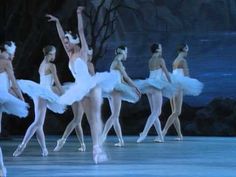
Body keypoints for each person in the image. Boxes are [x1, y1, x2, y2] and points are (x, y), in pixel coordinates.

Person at [13, 45, 66, 157]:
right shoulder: (51, 65)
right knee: (38, 123)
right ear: (50, 54)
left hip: (39, 93)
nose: (55, 55)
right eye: (54, 53)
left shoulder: (42, 65)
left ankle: (44, 149)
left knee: (39, 124)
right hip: (43, 94)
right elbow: (56, 81)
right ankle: (22, 145)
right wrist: (64, 94)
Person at [161, 44, 203, 141]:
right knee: (177, 112)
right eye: (187, 48)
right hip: (178, 86)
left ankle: (180, 135)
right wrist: (188, 85)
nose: (188, 50)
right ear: (184, 49)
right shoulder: (183, 61)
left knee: (174, 112)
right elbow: (186, 75)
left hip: (172, 86)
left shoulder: (175, 61)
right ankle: (163, 132)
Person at [101, 45, 141, 147]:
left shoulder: (117, 63)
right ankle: (103, 136)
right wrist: (136, 87)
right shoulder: (117, 62)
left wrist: (131, 88)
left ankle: (120, 140)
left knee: (115, 116)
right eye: (126, 52)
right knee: (115, 115)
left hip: (113, 89)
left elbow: (122, 80)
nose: (126, 54)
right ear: (122, 52)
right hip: (115, 90)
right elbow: (126, 78)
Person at [135, 43, 175, 143]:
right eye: (160, 47)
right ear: (157, 49)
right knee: (157, 112)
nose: (162, 49)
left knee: (154, 112)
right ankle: (144, 133)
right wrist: (172, 84)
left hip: (148, 86)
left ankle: (161, 137)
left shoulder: (150, 60)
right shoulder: (161, 60)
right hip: (156, 86)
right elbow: (166, 73)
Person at [0, 41, 29, 177]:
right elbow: (14, 85)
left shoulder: (6, 62)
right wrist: (21, 99)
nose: (9, 56)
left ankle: (2, 168)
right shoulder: (6, 63)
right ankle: (2, 169)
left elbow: (8, 87)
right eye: (8, 53)